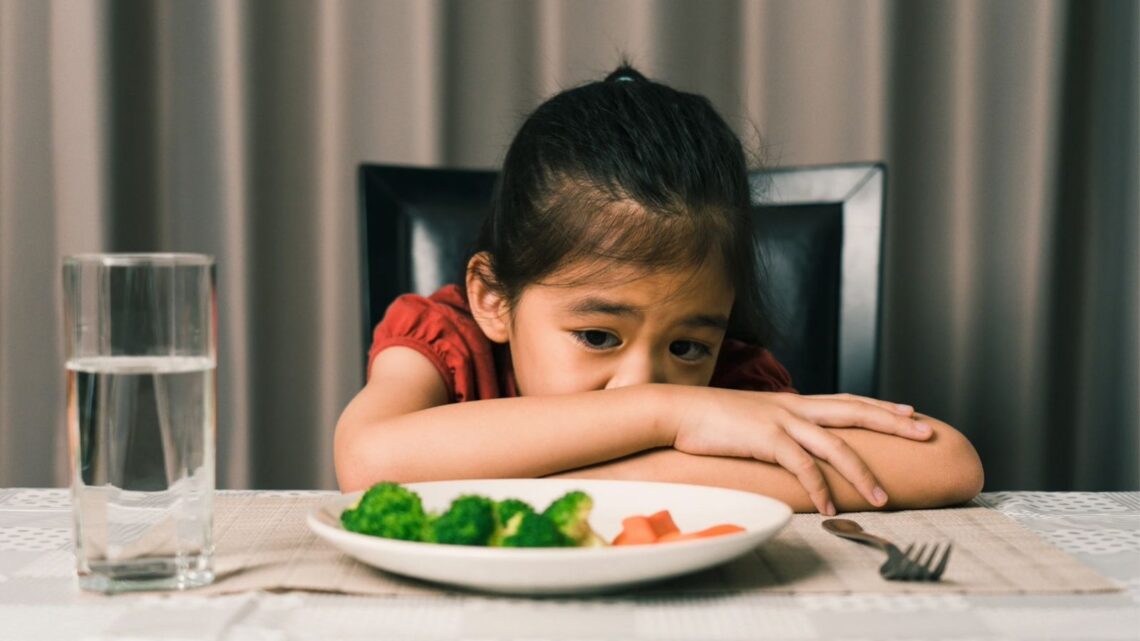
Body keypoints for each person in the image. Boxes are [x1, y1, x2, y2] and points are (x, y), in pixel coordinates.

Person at [335, 64, 984, 514]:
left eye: (687, 347)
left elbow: (948, 464)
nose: (644, 379)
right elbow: (366, 461)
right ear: (494, 298)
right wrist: (670, 415)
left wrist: (571, 476)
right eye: (597, 335)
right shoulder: (444, 335)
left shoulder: (734, 381)